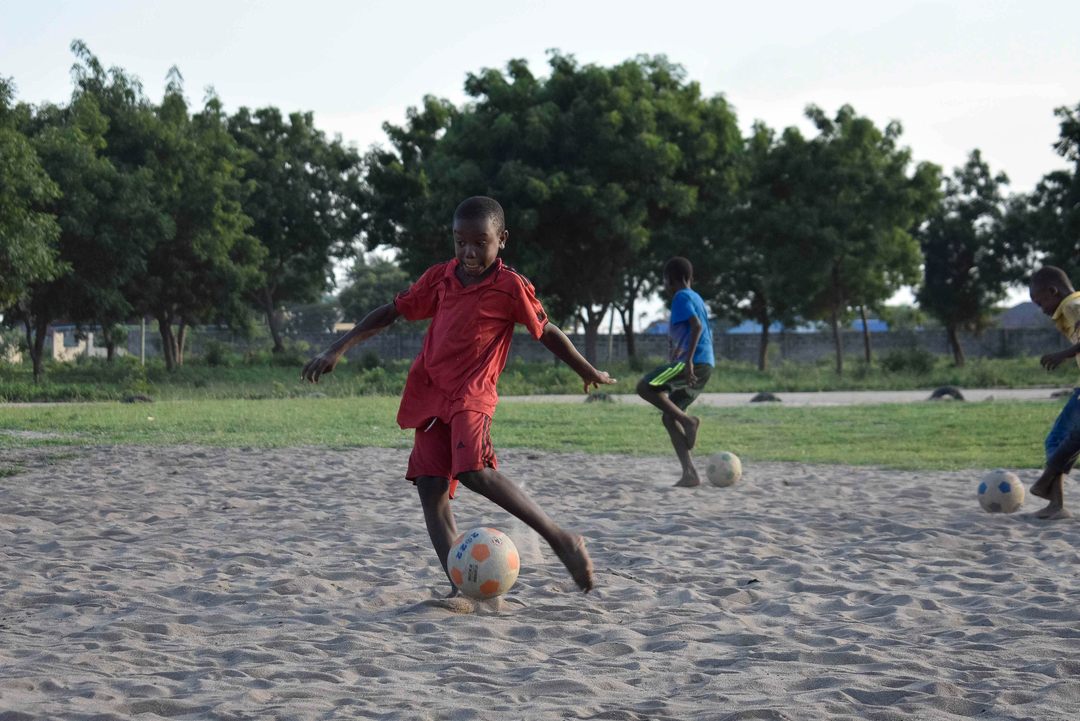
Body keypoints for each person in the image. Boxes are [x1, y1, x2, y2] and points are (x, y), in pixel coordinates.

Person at [302, 196, 615, 593]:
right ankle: (459, 582)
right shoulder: (440, 278)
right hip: (431, 393)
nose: (468, 252)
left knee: (473, 470)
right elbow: (391, 311)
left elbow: (546, 331)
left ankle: (561, 539)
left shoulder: (510, 286)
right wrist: (337, 349)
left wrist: (585, 369)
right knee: (430, 486)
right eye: (460, 241)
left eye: (480, 243)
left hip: (472, 394)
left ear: (502, 239)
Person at [635, 257, 715, 487]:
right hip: (706, 364)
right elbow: (695, 330)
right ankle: (690, 473)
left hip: (693, 362)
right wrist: (680, 353)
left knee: (644, 387)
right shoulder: (696, 297)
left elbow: (697, 326)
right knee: (669, 416)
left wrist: (687, 360)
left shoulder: (681, 296)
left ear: (669, 280)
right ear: (690, 277)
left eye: (664, 281)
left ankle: (688, 422)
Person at [1027, 265, 1080, 520]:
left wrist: (1063, 354)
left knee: (1070, 438)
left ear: (1053, 291)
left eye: (1041, 302)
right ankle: (1056, 504)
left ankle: (1046, 481)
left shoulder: (1072, 305)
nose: (1042, 309)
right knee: (1057, 440)